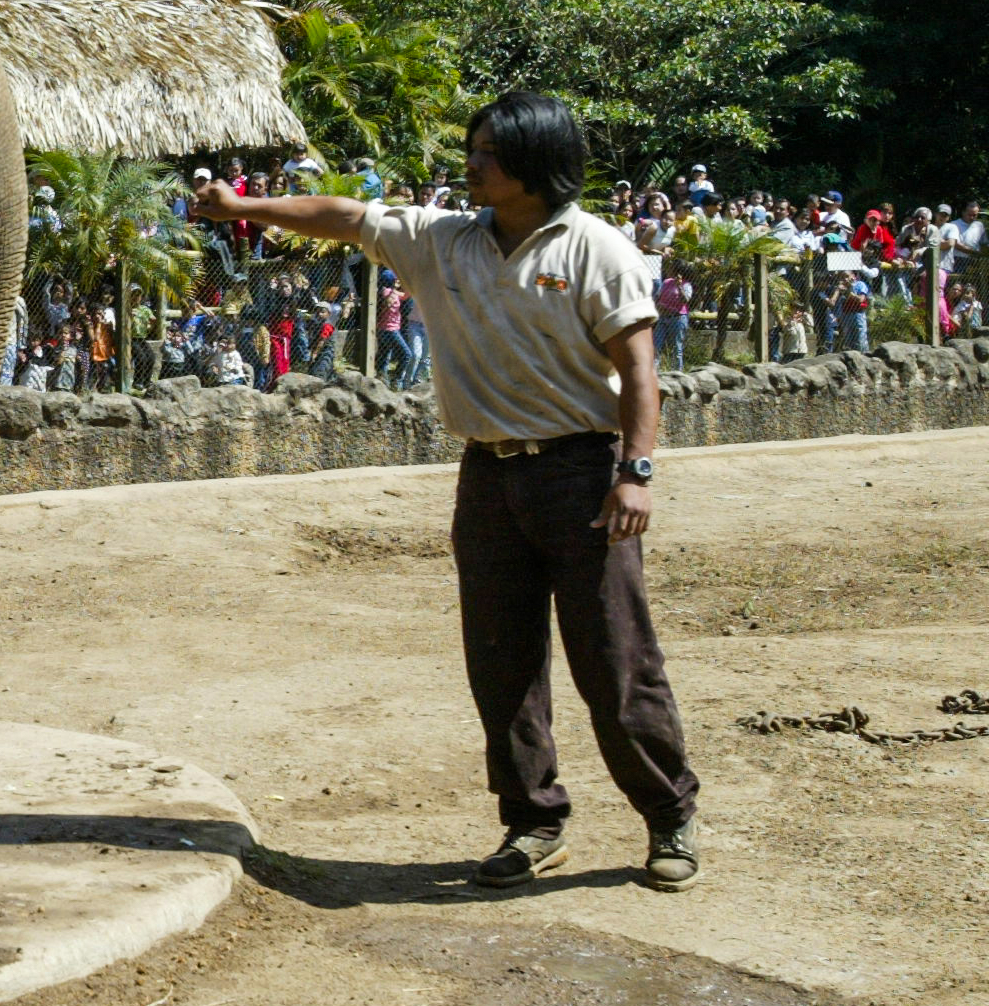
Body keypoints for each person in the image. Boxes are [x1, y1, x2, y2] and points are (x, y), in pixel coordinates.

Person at [193, 90, 701, 893]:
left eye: (489, 152)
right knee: (500, 659)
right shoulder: (444, 239)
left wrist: (636, 473)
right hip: (488, 476)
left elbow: (640, 369)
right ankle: (533, 822)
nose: (471, 163)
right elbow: (343, 215)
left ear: (534, 163)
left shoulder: (595, 249)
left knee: (613, 656)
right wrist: (242, 206)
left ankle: (670, 816)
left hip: (583, 474)